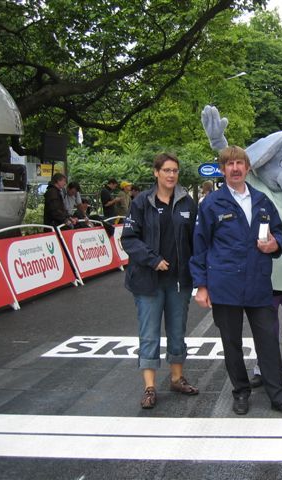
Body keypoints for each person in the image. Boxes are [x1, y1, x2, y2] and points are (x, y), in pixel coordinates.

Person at [190, 145, 282, 419]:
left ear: (247, 168)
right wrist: (201, 285)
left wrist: (276, 244)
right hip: (225, 285)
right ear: (223, 169)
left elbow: (279, 234)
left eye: (240, 163)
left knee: (268, 342)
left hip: (258, 284)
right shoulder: (211, 204)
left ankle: (279, 397)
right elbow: (200, 246)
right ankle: (240, 392)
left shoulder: (263, 201)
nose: (236, 168)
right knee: (232, 344)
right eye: (230, 164)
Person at [121, 152, 199, 409]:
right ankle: (150, 387)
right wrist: (153, 259)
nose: (171, 175)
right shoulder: (142, 202)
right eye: (166, 170)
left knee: (177, 331)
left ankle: (177, 378)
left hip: (179, 280)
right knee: (150, 334)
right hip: (148, 280)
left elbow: (195, 241)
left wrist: (198, 274)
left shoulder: (187, 202)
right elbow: (129, 239)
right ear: (156, 172)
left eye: (175, 170)